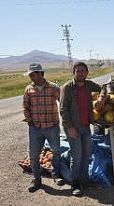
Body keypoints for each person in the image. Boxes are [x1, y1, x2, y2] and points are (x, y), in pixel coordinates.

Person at [60, 61, 106, 196]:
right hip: (73, 127)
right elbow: (63, 110)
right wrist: (69, 128)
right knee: (77, 157)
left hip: (86, 126)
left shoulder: (88, 84)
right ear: (74, 73)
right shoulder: (67, 88)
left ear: (87, 73)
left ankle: (85, 181)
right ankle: (76, 184)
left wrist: (102, 96)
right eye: (77, 71)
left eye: (82, 71)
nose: (80, 73)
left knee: (86, 155)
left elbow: (103, 87)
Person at [22, 63, 63, 193]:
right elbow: (25, 106)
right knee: (33, 155)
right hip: (35, 128)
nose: (31, 77)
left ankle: (55, 174)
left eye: (32, 74)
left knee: (56, 151)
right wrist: (29, 120)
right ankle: (37, 180)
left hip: (52, 126)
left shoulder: (53, 87)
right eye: (30, 75)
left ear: (41, 73)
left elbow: (62, 103)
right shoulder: (29, 89)